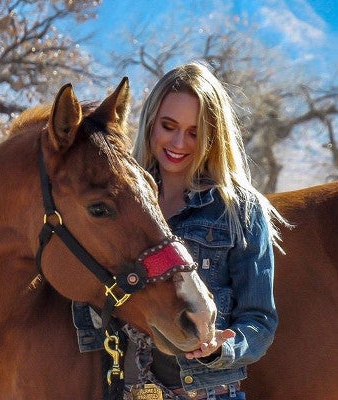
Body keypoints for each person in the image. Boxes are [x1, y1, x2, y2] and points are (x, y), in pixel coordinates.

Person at [73, 61, 284, 400]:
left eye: (194, 132)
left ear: (213, 136)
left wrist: (222, 349)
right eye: (168, 126)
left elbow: (260, 320)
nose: (178, 142)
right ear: (150, 123)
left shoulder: (240, 210)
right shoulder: (118, 206)